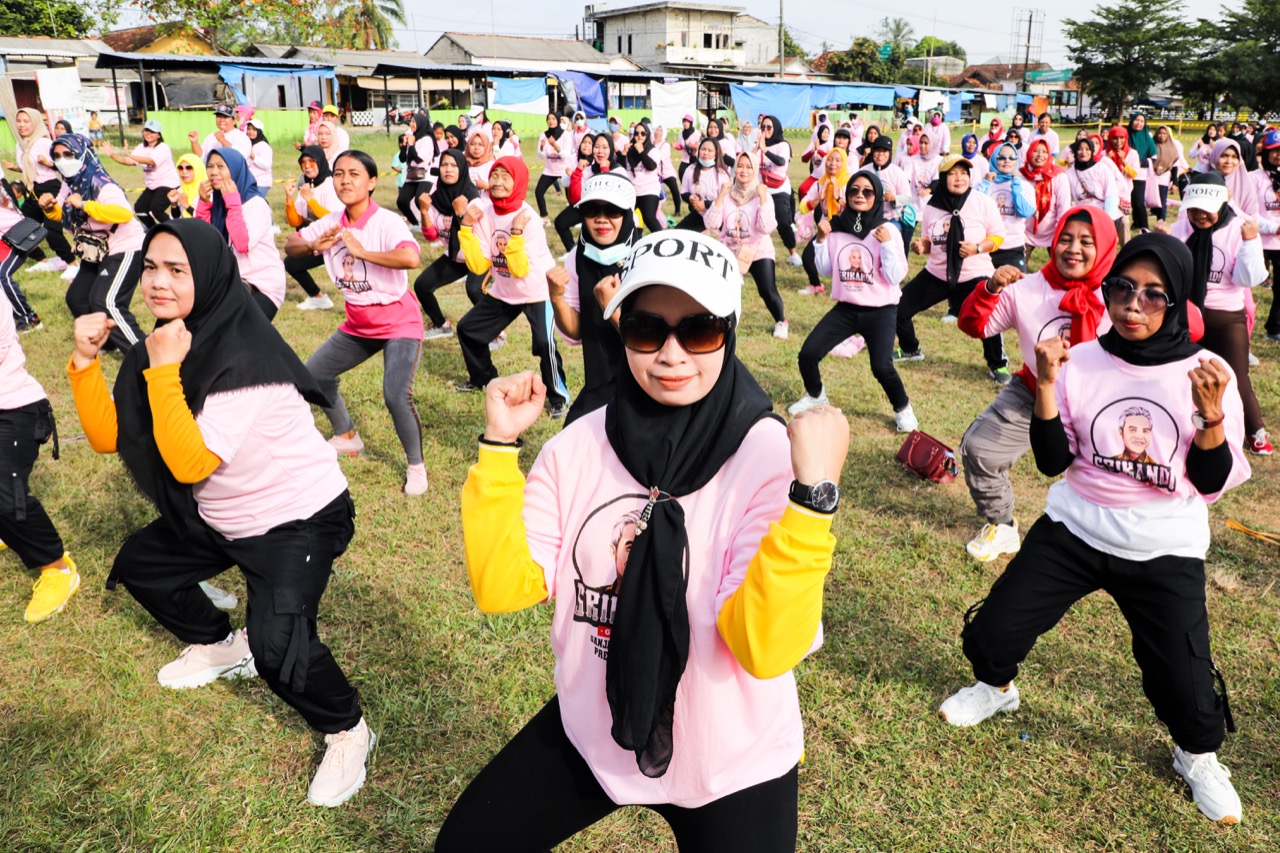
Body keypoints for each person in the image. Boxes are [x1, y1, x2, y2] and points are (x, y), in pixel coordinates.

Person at [435, 229, 848, 853]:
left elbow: (764, 647)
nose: (672, 355)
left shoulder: (768, 455)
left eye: (700, 329)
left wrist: (812, 502)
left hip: (731, 760)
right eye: (647, 330)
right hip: (597, 724)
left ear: (730, 329)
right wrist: (497, 449)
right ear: (620, 328)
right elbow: (503, 588)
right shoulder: (578, 445)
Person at [940, 232, 1251, 827]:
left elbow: (1209, 482)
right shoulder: (1080, 359)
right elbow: (1053, 462)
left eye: (1155, 294)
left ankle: (1197, 755)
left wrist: (1211, 415)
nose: (1134, 305)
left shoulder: (1206, 373)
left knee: (1186, 689)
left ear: (1179, 299)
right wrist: (1049, 383)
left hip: (1163, 545)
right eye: (1123, 288)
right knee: (994, 633)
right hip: (1075, 528)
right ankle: (996, 689)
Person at [67, 218, 373, 808]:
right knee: (143, 564)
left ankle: (347, 729)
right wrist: (84, 365)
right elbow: (110, 435)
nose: (157, 282)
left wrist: (162, 374)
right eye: (151, 267)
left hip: (297, 519)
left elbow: (190, 463)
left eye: (176, 270)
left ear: (208, 276)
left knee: (279, 643)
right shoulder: (170, 338)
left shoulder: (242, 355)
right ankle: (219, 643)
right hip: (224, 515)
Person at [956, 207, 1118, 561]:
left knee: (1110, 474)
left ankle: (1106, 540)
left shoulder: (1120, 295)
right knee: (978, 448)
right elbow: (975, 327)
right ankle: (1003, 525)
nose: (1073, 248)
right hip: (1033, 389)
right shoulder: (1026, 288)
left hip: (1102, 399)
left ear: (1105, 247)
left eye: (1087, 242)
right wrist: (991, 287)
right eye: (1066, 239)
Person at [284, 150, 427, 496]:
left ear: (372, 182)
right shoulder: (332, 221)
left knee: (395, 395)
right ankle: (346, 435)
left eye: (354, 174)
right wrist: (312, 245)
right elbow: (291, 244)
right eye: (338, 174)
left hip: (398, 323)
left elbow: (411, 256)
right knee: (313, 377)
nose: (345, 180)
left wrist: (362, 253)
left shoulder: (386, 222)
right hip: (358, 325)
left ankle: (416, 466)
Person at [790, 168, 918, 434]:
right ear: (846, 197)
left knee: (881, 366)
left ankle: (903, 408)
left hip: (881, 310)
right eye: (855, 191)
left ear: (877, 196)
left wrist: (886, 245)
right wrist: (821, 241)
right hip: (847, 308)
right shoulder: (836, 228)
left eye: (867, 191)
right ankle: (816, 396)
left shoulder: (888, 230)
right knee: (808, 354)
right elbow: (826, 271)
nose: (860, 195)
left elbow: (895, 276)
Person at [1161, 174, 1271, 455]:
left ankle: (1255, 431)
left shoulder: (1239, 228)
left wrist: (1249, 243)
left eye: (1205, 210)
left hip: (1226, 316)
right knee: (1180, 371)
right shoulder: (1180, 228)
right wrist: (1162, 243)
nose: (1198, 216)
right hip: (1185, 313)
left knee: (1236, 376)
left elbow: (1250, 279)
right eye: (1193, 209)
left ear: (1222, 204)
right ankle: (1181, 425)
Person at [454, 155, 571, 417]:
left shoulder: (527, 218)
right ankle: (483, 378)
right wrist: (465, 228)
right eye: (494, 176)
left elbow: (520, 269)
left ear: (518, 181)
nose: (497, 182)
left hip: (537, 290)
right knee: (468, 330)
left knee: (544, 344)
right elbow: (479, 266)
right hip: (505, 292)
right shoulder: (484, 214)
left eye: (506, 177)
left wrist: (515, 235)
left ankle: (558, 397)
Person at [894, 154, 1009, 383]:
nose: (959, 178)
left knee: (987, 317)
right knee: (900, 306)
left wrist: (977, 248)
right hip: (937, 273)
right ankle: (910, 349)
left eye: (964, 173)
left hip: (973, 273)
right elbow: (929, 239)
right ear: (944, 177)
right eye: (953, 173)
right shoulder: (932, 206)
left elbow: (998, 237)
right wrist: (921, 245)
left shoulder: (981, 201)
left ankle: (998, 365)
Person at [39, 134, 146, 354]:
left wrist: (86, 204)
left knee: (107, 302)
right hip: (96, 250)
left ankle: (145, 354)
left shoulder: (102, 184)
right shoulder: (69, 184)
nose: (62, 160)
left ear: (83, 153)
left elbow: (124, 214)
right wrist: (49, 206)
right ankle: (109, 343)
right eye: (57, 156)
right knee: (77, 298)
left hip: (124, 247)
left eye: (68, 154)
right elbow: (60, 213)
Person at [545, 172, 637, 423]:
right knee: (570, 444)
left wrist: (612, 310)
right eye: (592, 210)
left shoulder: (645, 257)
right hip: (600, 382)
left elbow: (652, 342)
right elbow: (575, 332)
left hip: (646, 385)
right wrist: (557, 298)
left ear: (628, 213)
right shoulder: (578, 257)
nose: (601, 219)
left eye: (612, 211)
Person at [704, 153, 789, 339]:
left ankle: (781, 321)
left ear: (755, 170)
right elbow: (711, 224)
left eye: (749, 167)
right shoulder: (727, 194)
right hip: (730, 250)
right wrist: (720, 197)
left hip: (758, 249)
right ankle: (721, 323)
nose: (744, 171)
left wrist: (763, 198)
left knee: (767, 290)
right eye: (740, 166)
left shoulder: (761, 196)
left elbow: (766, 227)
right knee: (721, 289)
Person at [196, 148, 286, 320]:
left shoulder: (255, 204)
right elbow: (205, 243)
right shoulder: (217, 201)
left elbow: (242, 243)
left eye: (221, 167)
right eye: (210, 166)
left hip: (261, 285)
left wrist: (233, 203)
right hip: (233, 282)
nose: (214, 172)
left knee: (241, 336)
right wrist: (204, 205)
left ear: (236, 169)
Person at [414, 148, 483, 339]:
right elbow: (431, 236)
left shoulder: (474, 199)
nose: (448, 169)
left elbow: (478, 236)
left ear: (462, 168)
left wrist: (461, 214)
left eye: (453, 165)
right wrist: (424, 211)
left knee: (474, 290)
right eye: (444, 164)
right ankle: (441, 325)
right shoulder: (436, 198)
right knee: (422, 285)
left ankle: (496, 331)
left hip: (479, 255)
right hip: (455, 255)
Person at [2, 108, 76, 273]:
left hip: (50, 189)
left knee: (51, 231)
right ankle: (43, 260)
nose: (22, 125)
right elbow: (29, 169)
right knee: (17, 228)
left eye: (26, 121)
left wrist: (48, 163)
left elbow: (66, 166)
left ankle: (72, 264)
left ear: (35, 122)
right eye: (19, 121)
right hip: (33, 191)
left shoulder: (45, 143)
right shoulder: (21, 145)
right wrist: (15, 167)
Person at [283, 146, 340, 311]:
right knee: (291, 263)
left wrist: (311, 200)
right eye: (303, 162)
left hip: (336, 240)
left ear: (320, 162)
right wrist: (289, 199)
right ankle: (317, 297)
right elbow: (296, 221)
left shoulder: (331, 185)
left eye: (311, 161)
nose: (307, 166)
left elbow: (333, 220)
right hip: (317, 241)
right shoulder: (306, 187)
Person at [102, 119, 179, 229]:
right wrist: (112, 155)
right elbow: (128, 161)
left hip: (168, 184)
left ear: (158, 135)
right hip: (153, 186)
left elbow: (151, 161)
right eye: (146, 130)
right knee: (140, 209)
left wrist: (129, 154)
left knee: (156, 209)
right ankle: (154, 230)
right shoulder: (141, 147)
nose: (148, 134)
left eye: (152, 132)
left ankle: (176, 229)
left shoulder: (163, 147)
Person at [796, 147, 850, 296]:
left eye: (838, 160)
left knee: (844, 263)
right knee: (807, 257)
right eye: (830, 160)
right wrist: (819, 198)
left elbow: (856, 210)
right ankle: (816, 285)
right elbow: (803, 207)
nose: (833, 163)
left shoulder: (850, 183)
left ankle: (846, 291)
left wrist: (838, 196)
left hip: (845, 229)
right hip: (826, 227)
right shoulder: (820, 183)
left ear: (844, 162)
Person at [974, 142, 1036, 273]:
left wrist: (1016, 185)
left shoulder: (1024, 186)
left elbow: (1024, 211)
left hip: (1013, 248)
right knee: (983, 290)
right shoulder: (984, 183)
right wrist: (985, 184)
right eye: (1001, 157)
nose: (1007, 161)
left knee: (1015, 290)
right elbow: (974, 210)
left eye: (1012, 157)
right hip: (987, 246)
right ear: (994, 158)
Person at [757, 116, 802, 267]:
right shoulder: (759, 145)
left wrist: (764, 150)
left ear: (776, 128)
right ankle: (756, 255)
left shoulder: (783, 145)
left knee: (783, 223)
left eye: (769, 127)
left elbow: (781, 162)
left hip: (779, 190)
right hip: (762, 190)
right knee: (757, 223)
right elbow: (749, 160)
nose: (765, 130)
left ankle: (793, 254)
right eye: (763, 127)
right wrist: (757, 146)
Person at [1021, 139, 1071, 264]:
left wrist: (1059, 233)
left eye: (1044, 152)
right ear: (1029, 153)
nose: (1040, 155)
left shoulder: (1059, 176)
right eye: (1036, 151)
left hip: (1052, 231)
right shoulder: (1021, 175)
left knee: (1061, 270)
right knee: (1015, 272)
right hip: (1025, 233)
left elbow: (1063, 207)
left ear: (1049, 154)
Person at [1253, 130, 1280, 343]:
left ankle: (1274, 328)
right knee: (1246, 287)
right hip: (1256, 240)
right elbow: (1248, 212)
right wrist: (1272, 228)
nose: (1278, 155)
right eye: (1274, 151)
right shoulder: (1254, 178)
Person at [675, 137, 729, 233]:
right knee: (677, 233)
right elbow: (683, 193)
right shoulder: (691, 169)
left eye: (710, 150)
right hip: (700, 215)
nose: (705, 153)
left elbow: (726, 201)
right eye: (703, 149)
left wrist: (706, 204)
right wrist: (690, 198)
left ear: (716, 154)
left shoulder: (721, 174)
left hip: (721, 215)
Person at [1067, 138, 1120, 224]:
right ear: (1075, 151)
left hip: (1101, 214)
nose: (1083, 152)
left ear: (1092, 151)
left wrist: (1108, 220)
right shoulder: (1069, 173)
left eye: (1087, 149)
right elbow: (1067, 199)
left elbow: (1111, 195)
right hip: (1080, 217)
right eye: (1080, 149)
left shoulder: (1101, 169)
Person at [624, 123, 665, 235]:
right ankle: (636, 240)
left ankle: (663, 240)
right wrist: (623, 154)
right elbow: (624, 169)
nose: (639, 136)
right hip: (632, 191)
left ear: (647, 135)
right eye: (636, 133)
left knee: (649, 218)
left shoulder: (653, 150)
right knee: (627, 220)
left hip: (648, 190)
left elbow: (651, 166)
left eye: (643, 133)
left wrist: (641, 152)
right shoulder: (630, 150)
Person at [396, 110, 436, 225]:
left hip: (425, 175)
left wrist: (412, 145)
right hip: (412, 175)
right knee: (402, 201)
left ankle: (431, 224)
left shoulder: (427, 139)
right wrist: (404, 146)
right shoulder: (412, 138)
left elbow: (419, 159)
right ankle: (415, 224)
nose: (411, 124)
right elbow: (403, 159)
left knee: (420, 200)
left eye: (414, 122)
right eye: (411, 122)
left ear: (421, 123)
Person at [535, 112, 568, 225]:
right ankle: (544, 217)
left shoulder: (566, 135)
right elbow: (541, 156)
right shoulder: (544, 135)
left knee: (571, 196)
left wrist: (555, 145)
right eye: (548, 119)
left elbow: (566, 156)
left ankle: (576, 218)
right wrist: (542, 147)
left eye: (553, 118)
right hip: (549, 170)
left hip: (564, 170)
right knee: (538, 192)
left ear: (558, 120)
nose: (551, 121)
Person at [1126, 114, 1157, 234]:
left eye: (1141, 121)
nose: (1138, 123)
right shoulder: (1125, 135)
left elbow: (1154, 156)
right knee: (1130, 201)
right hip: (1125, 172)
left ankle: (1144, 227)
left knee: (1138, 201)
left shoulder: (1147, 138)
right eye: (1136, 120)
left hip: (1140, 174)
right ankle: (1136, 222)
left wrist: (1139, 162)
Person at [1149, 125, 1185, 223]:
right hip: (1151, 175)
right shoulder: (1151, 145)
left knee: (1162, 200)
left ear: (1168, 135)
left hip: (1164, 176)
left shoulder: (1172, 148)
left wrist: (1175, 182)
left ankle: (1161, 221)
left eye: (1164, 133)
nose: (1162, 136)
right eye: (1160, 133)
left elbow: (1175, 166)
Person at [167, 154, 207, 221]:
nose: (184, 172)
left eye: (189, 168)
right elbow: (176, 220)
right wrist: (174, 204)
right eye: (180, 168)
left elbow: (206, 219)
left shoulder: (207, 190)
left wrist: (186, 206)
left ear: (198, 169)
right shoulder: (180, 190)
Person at [653, 125, 682, 218]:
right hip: (656, 173)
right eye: (657, 130)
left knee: (674, 190)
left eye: (660, 130)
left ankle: (678, 211)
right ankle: (654, 212)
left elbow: (659, 157)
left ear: (664, 134)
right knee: (653, 193)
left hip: (667, 172)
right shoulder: (651, 143)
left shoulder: (665, 145)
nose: (658, 132)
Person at [244, 119, 273, 194]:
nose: (250, 132)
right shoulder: (247, 144)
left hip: (261, 183)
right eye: (249, 129)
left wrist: (254, 157)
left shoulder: (263, 146)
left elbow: (267, 165)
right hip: (249, 182)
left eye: (254, 130)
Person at [674, 114, 701, 184]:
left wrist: (692, 146)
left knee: (693, 177)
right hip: (685, 159)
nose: (685, 124)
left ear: (691, 123)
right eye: (684, 122)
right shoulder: (681, 133)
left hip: (694, 158)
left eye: (687, 122)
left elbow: (700, 146)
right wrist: (675, 146)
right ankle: (684, 189)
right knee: (681, 173)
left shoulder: (696, 133)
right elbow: (681, 146)